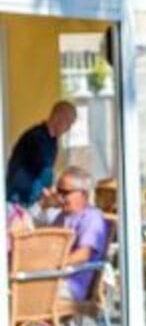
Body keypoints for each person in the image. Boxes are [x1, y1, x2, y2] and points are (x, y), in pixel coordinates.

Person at [45, 167, 109, 302]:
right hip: (55, 278)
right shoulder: (62, 217)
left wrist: (50, 264)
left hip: (73, 285)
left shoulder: (91, 218)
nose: (60, 197)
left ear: (83, 195)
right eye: (58, 191)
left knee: (21, 294)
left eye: (65, 193)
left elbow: (82, 255)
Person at [6, 100, 78, 207]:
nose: (68, 128)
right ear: (58, 117)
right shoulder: (37, 138)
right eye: (68, 122)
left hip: (31, 199)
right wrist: (55, 194)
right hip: (19, 200)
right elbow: (45, 174)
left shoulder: (52, 141)